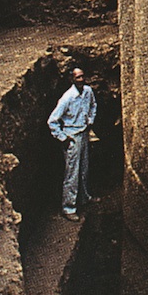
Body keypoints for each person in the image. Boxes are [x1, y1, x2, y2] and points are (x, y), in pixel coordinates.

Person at [47, 67, 97, 221]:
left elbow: (93, 106)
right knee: (72, 173)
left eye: (83, 76)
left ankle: (84, 198)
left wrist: (90, 120)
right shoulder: (67, 98)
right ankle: (68, 208)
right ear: (72, 80)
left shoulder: (88, 91)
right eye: (78, 78)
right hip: (72, 137)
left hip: (84, 133)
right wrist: (63, 138)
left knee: (84, 168)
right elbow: (52, 121)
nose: (82, 80)